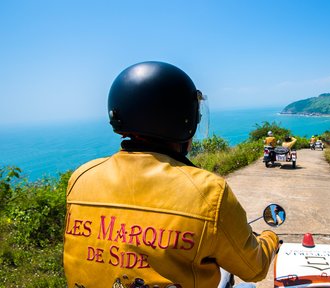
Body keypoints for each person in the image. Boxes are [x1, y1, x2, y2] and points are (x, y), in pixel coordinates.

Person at [63, 61, 279, 288]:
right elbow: (254, 268)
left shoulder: (81, 178)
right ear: (182, 118)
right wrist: (269, 238)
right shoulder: (208, 192)